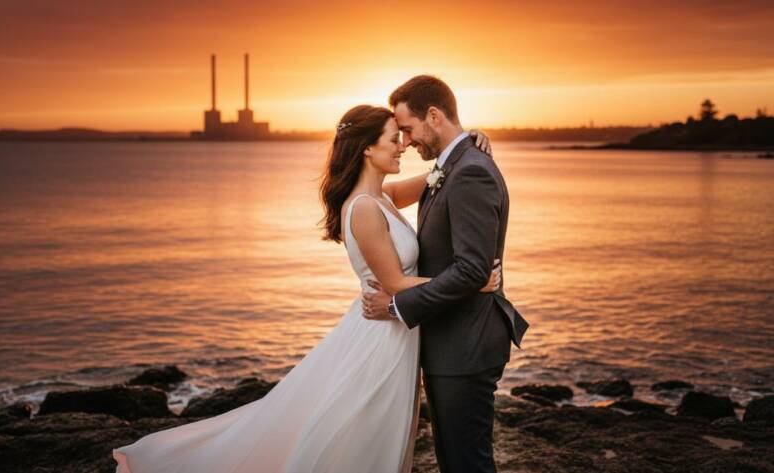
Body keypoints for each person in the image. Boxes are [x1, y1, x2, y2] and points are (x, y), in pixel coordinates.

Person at [111, 104, 499, 473]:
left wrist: (465, 142)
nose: (404, 145)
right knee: (363, 435)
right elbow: (396, 284)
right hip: (382, 339)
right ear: (367, 147)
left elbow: (439, 177)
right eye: (393, 138)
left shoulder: (381, 196)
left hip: (395, 330)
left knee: (369, 432)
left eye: (403, 136)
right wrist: (473, 283)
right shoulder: (363, 208)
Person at [361, 75, 529, 473]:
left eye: (408, 129)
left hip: (465, 346)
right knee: (456, 461)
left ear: (433, 116)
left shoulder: (469, 171)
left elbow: (472, 269)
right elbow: (468, 269)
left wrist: (397, 305)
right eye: (397, 135)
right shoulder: (450, 167)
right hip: (450, 343)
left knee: (466, 464)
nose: (406, 141)